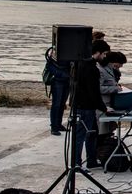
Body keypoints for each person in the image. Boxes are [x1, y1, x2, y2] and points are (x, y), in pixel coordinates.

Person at [72, 39, 110, 169]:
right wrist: (104, 108)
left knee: (92, 133)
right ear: (97, 52)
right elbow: (94, 92)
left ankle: (92, 160)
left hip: (83, 105)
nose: (104, 57)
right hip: (85, 107)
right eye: (104, 54)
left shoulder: (80, 63)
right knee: (81, 135)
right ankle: (76, 163)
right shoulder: (91, 69)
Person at [44, 46, 71, 136]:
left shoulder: (70, 50)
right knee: (56, 104)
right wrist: (62, 74)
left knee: (61, 104)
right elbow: (49, 65)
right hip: (58, 81)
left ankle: (58, 124)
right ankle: (54, 126)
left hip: (65, 80)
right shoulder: (55, 51)